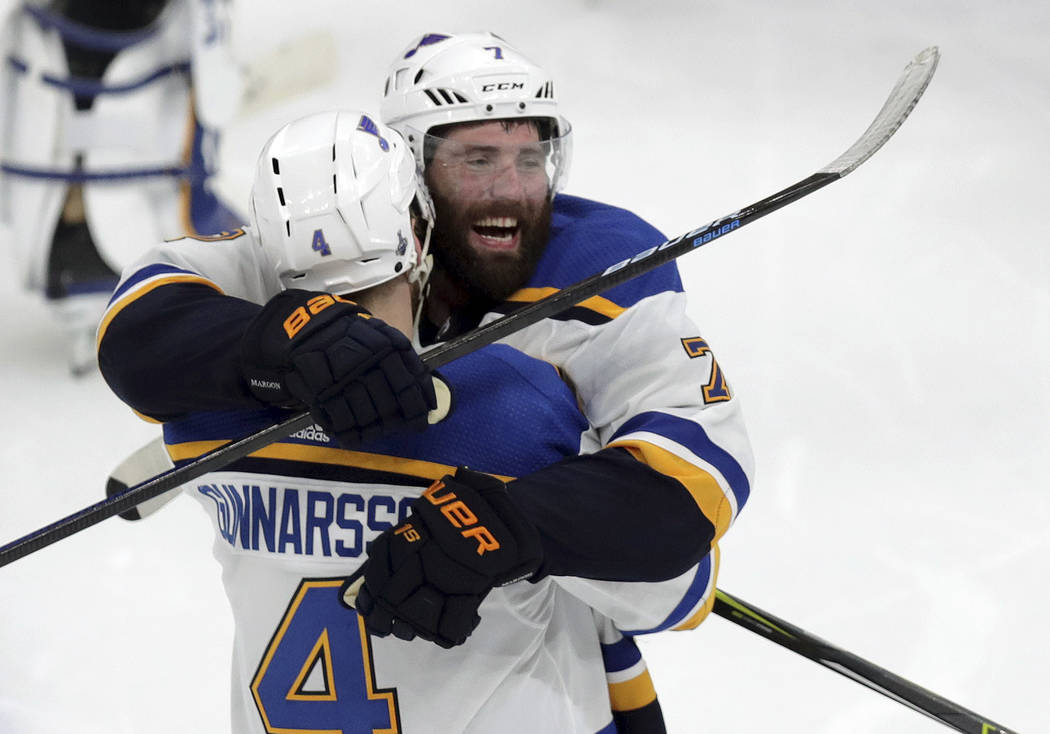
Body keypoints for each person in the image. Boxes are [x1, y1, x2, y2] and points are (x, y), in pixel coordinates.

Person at [97, 110, 695, 733]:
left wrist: (280, 345)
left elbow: (141, 328)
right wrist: (523, 528)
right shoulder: (518, 414)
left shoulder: (202, 428)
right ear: (417, 235)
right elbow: (679, 585)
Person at [367, 20, 754, 672]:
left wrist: (514, 522)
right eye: (479, 160)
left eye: (529, 159)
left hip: (548, 656)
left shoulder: (603, 261)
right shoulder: (357, 244)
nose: (514, 191)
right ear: (409, 168)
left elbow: (704, 473)